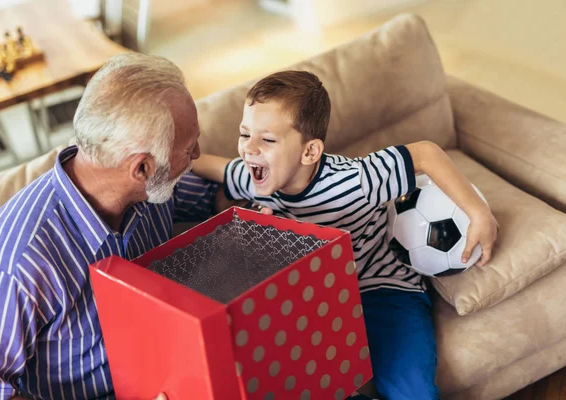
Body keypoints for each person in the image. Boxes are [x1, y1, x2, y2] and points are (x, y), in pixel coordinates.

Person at [192, 70, 499, 400]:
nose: (249, 149)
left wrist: (479, 214)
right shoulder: (254, 177)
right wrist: (182, 155)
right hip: (316, 301)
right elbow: (216, 167)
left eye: (267, 139)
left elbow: (424, 153)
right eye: (244, 133)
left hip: (381, 288)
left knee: (413, 391)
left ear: (310, 152)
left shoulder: (357, 181)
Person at [0, 53, 224, 399]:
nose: (198, 155)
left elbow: (215, 198)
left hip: (177, 371)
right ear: (142, 169)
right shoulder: (17, 261)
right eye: (190, 148)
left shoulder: (152, 190)